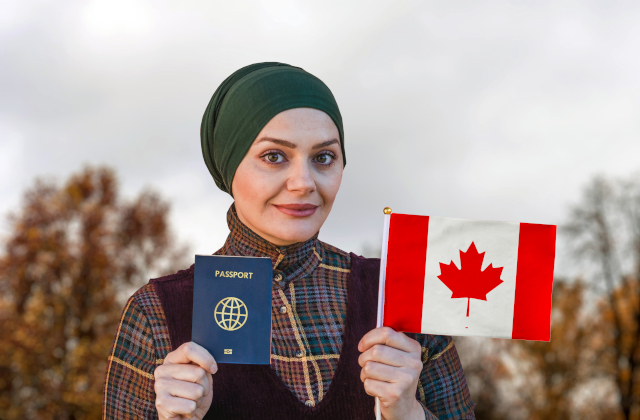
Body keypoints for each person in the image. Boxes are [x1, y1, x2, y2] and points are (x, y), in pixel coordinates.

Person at [103, 62, 475, 420]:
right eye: (274, 156)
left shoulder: (399, 291)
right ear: (230, 166)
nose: (304, 183)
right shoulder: (156, 312)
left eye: (324, 157)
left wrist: (409, 415)